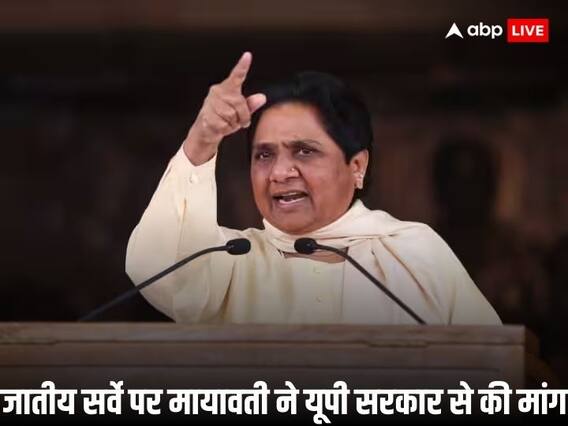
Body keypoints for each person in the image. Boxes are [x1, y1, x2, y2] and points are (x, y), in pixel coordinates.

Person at [125, 52, 501, 325]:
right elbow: (159, 270)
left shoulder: (414, 254)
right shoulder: (229, 261)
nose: (280, 172)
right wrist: (202, 141)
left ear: (357, 166)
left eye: (304, 151)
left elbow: (492, 367)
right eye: (264, 155)